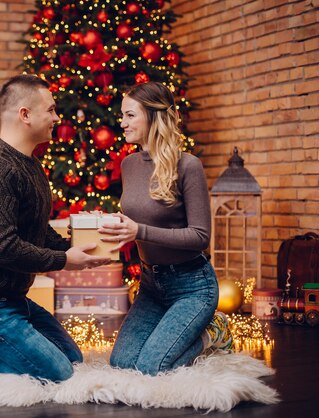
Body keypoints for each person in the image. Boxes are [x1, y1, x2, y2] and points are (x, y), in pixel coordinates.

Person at [0, 74, 111, 382]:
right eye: (51, 110)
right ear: (25, 114)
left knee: (72, 359)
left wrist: (75, 251)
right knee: (58, 373)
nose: (57, 118)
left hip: (10, 298)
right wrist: (63, 261)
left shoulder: (30, 164)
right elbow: (1, 248)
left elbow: (37, 231)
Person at [99, 81, 232, 376]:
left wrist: (139, 231)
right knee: (122, 364)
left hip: (192, 287)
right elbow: (137, 216)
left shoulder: (188, 166)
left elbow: (200, 237)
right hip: (151, 285)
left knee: (152, 366)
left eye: (130, 115)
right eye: (122, 115)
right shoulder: (129, 164)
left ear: (153, 115)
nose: (122, 123)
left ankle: (214, 334)